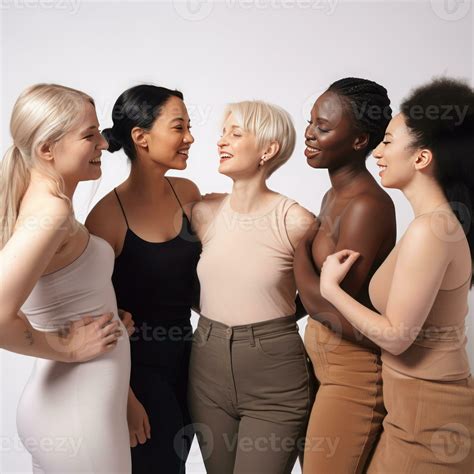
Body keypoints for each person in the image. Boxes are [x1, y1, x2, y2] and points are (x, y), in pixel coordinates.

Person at [320, 77, 474, 473]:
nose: (378, 152)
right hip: (408, 409)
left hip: (431, 416)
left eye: (387, 142)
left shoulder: (432, 230)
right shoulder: (429, 224)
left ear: (421, 158)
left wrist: (331, 290)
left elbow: (397, 336)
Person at [0, 83, 131, 473]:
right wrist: (69, 348)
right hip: (77, 414)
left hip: (71, 409)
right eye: (89, 135)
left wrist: (107, 314)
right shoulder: (51, 213)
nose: (104, 145)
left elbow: (56, 294)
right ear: (46, 149)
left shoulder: (43, 203)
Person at [188, 100, 316, 474]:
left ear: (268, 150)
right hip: (206, 365)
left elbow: (318, 295)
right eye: (223, 132)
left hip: (273, 375)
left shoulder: (295, 220)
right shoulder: (202, 214)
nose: (221, 141)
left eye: (235, 133)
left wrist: (272, 323)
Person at [86, 84, 202, 474]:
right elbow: (95, 316)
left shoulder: (187, 192)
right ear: (141, 137)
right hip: (138, 372)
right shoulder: (105, 218)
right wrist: (127, 399)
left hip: (191, 361)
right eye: (178, 127)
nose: (189, 138)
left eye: (189, 127)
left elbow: (198, 286)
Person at [293, 77, 396, 473]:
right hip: (322, 363)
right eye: (311, 121)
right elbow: (314, 299)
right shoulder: (333, 194)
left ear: (359, 141)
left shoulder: (366, 206)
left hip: (353, 373)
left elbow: (335, 311)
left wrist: (302, 248)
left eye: (323, 126)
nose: (310, 133)